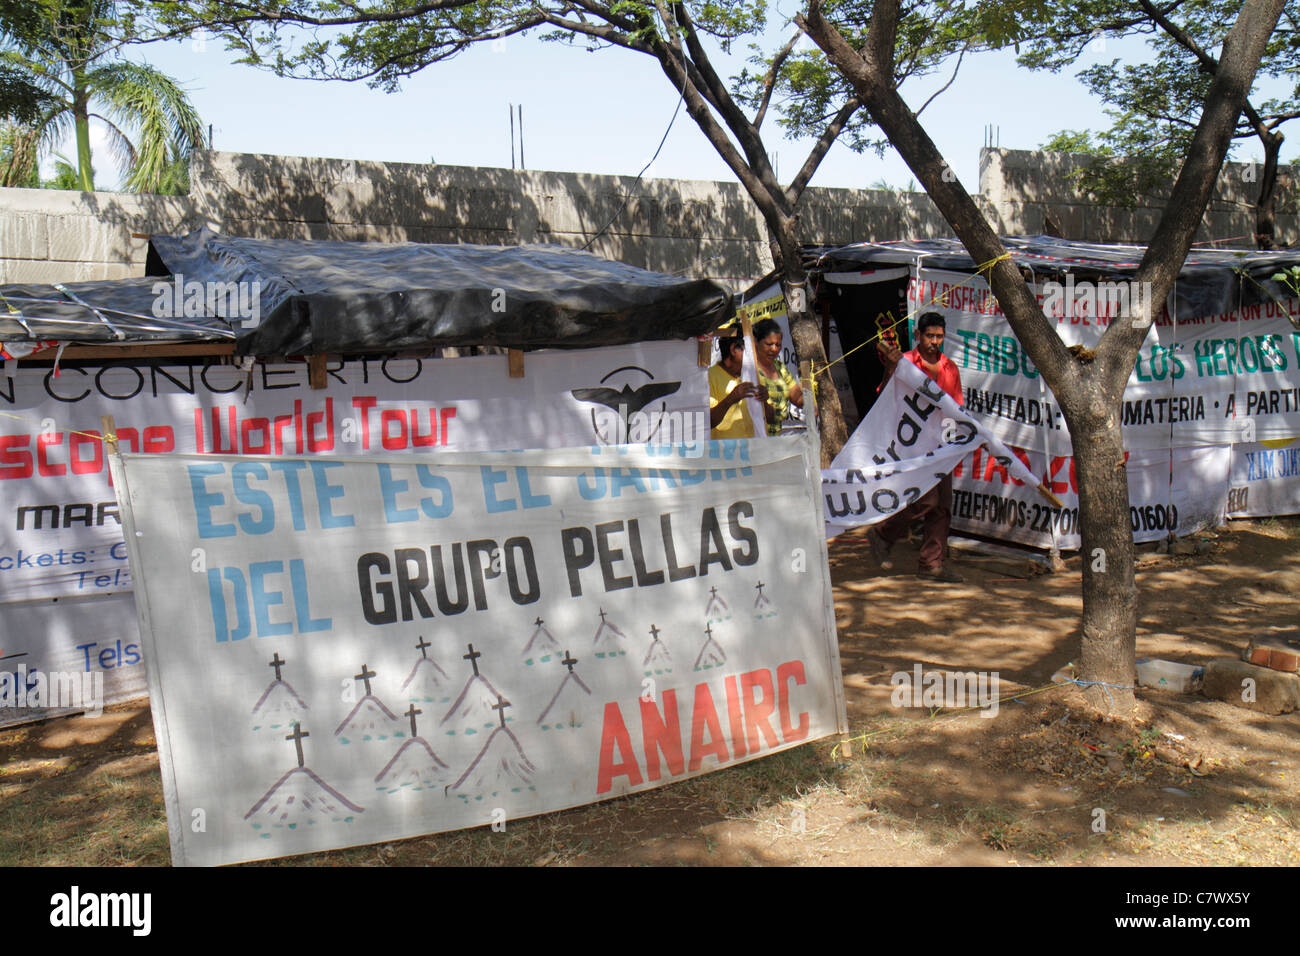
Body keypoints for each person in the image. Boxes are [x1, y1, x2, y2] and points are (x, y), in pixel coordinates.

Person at [868, 311, 965, 583]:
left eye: (939, 337)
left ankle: (931, 563)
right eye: (930, 336)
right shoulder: (905, 362)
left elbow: (955, 407)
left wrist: (953, 441)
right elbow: (886, 395)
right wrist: (890, 367)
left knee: (942, 504)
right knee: (926, 499)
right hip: (910, 443)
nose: (935, 341)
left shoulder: (950, 368)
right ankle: (884, 533)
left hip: (942, 444)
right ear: (918, 336)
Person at [751, 318, 804, 435]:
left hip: (777, 439)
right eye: (769, 344)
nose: (774, 349)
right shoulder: (750, 370)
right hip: (756, 438)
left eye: (778, 345)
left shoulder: (780, 367)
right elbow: (764, 414)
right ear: (755, 342)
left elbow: (797, 398)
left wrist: (811, 399)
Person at [708, 331, 762, 439]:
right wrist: (732, 398)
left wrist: (764, 400)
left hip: (751, 450)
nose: (755, 357)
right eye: (751, 351)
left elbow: (770, 418)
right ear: (733, 350)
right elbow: (708, 421)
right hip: (723, 453)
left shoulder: (753, 375)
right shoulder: (709, 377)